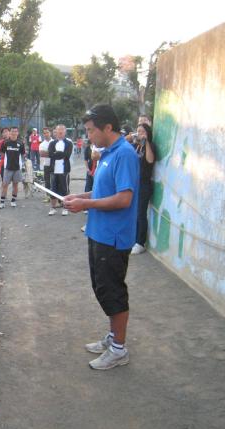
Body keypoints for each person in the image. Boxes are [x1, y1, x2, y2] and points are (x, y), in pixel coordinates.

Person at [64, 104, 140, 371]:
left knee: (113, 291)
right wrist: (79, 197)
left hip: (113, 237)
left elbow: (124, 198)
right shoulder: (107, 154)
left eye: (90, 130)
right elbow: (101, 192)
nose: (88, 136)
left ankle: (119, 349)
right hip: (98, 232)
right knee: (102, 288)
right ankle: (113, 337)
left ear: (108, 127)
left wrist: (85, 204)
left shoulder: (125, 154)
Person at [131, 123, 156, 255]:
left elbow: (150, 160)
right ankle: (134, 239)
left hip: (144, 184)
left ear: (147, 133)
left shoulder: (150, 146)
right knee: (134, 213)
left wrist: (146, 143)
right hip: (135, 184)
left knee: (141, 213)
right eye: (138, 131)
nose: (139, 134)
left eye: (142, 131)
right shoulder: (137, 146)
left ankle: (140, 243)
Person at [48, 125, 74, 217]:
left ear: (65, 132)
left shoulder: (69, 143)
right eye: (58, 130)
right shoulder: (52, 143)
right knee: (53, 189)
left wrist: (56, 154)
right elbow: (51, 154)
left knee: (65, 189)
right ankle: (53, 208)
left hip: (64, 170)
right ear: (56, 131)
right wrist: (60, 154)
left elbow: (67, 155)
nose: (60, 132)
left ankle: (65, 208)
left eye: (62, 130)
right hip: (53, 170)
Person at [0, 126, 25, 208]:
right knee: (5, 184)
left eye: (15, 131)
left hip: (17, 168)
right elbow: (1, 153)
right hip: (7, 167)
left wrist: (22, 164)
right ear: (10, 132)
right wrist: (8, 159)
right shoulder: (5, 142)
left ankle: (13, 200)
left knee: (15, 184)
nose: (14, 133)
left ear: (17, 133)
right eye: (12, 131)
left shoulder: (21, 143)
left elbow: (23, 154)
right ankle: (2, 202)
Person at [39, 127, 53, 203]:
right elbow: (42, 154)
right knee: (47, 181)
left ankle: (54, 197)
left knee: (54, 181)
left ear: (50, 133)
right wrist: (52, 153)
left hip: (55, 164)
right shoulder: (42, 144)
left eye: (47, 132)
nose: (46, 134)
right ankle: (48, 196)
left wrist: (47, 153)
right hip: (46, 164)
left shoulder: (54, 142)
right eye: (44, 133)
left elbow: (58, 154)